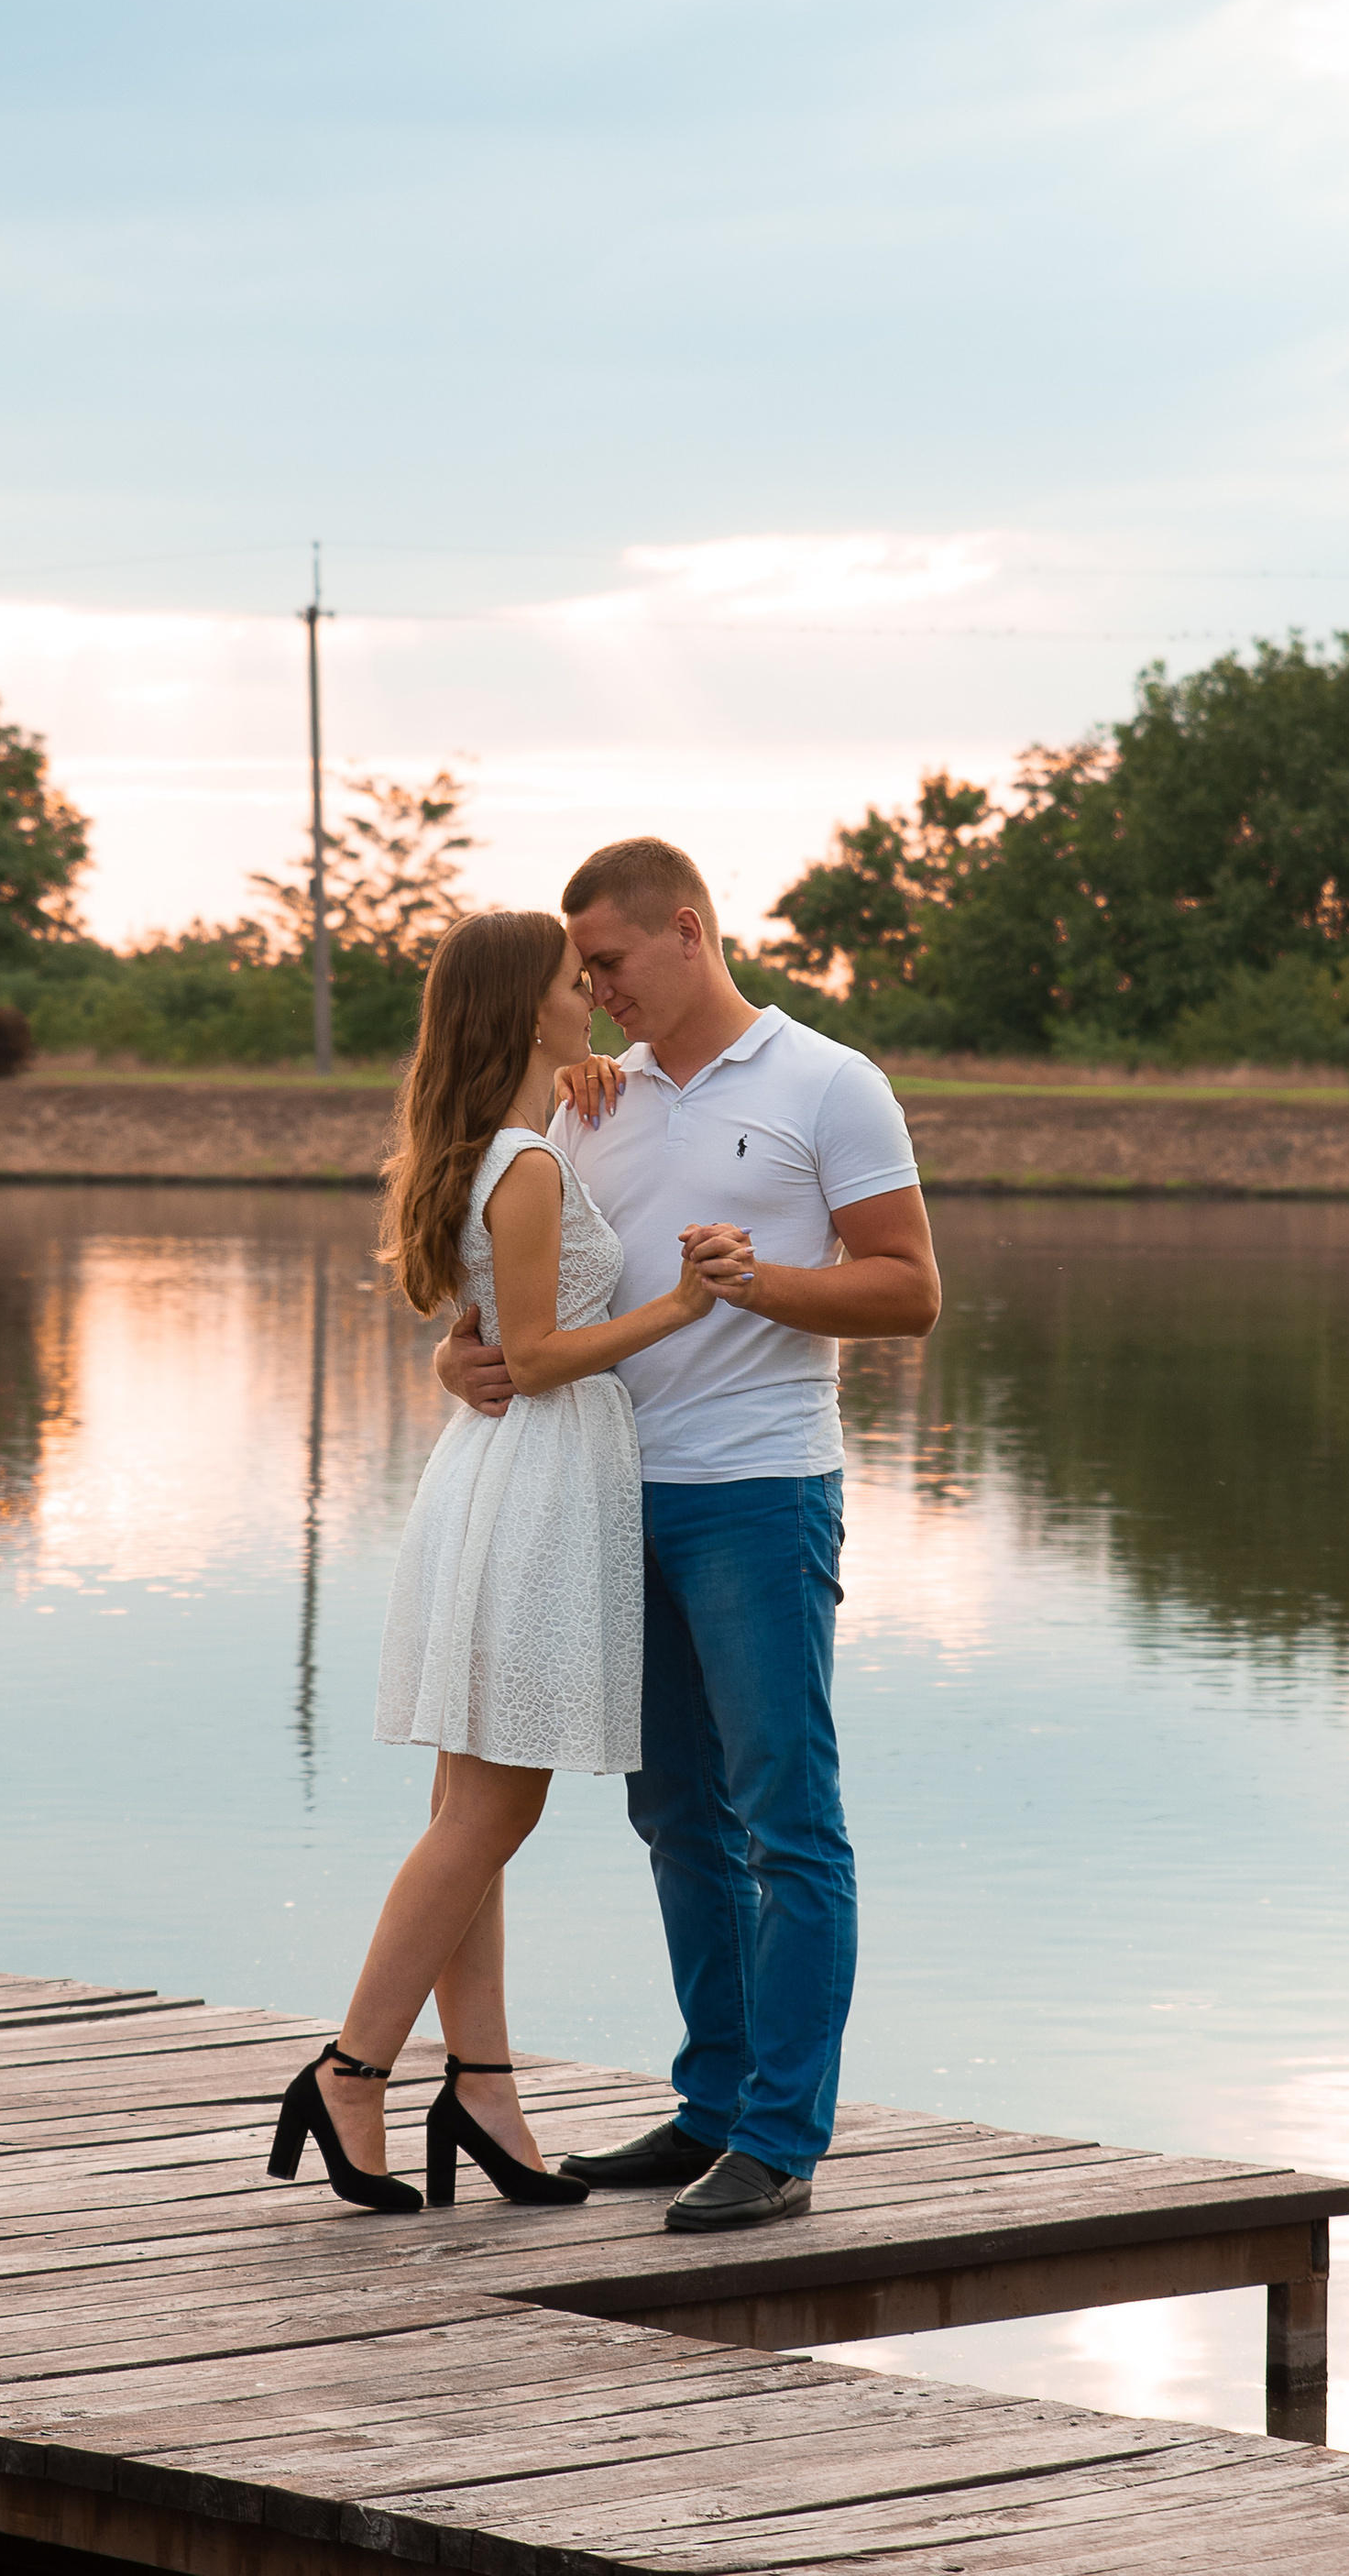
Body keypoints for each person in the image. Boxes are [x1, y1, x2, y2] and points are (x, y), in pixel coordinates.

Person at [435, 836, 940, 2232]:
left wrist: (760, 1282)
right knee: (673, 1816)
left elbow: (910, 1292)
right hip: (603, 1494)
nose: (594, 991)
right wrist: (455, 1360)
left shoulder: (830, 1084)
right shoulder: (587, 1099)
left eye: (608, 961)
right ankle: (712, 2108)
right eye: (580, 973)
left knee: (788, 1821)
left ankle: (779, 2141)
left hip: (759, 1494)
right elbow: (520, 1297)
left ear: (689, 930)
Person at [269, 905, 721, 2216]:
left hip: (502, 1478)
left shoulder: (503, 1147)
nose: (594, 998)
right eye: (576, 984)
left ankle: (482, 2088)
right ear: (528, 1010)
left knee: (469, 1814)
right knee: (491, 1814)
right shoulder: (521, 1167)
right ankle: (352, 2069)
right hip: (535, 1485)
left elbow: (495, 1338)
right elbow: (531, 1355)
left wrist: (582, 1092)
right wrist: (680, 1306)